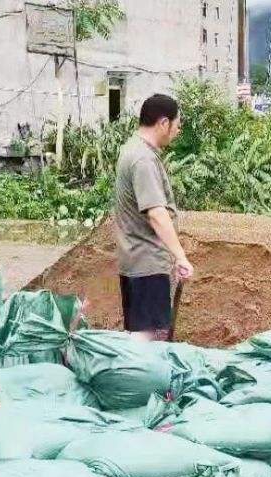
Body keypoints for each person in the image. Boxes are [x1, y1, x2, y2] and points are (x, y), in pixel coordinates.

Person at [113, 93, 193, 340]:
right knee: (144, 337)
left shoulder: (132, 149)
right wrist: (180, 256)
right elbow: (156, 214)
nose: (177, 131)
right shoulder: (143, 159)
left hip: (134, 258)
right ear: (163, 123)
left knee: (139, 332)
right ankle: (133, 378)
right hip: (146, 262)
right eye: (177, 125)